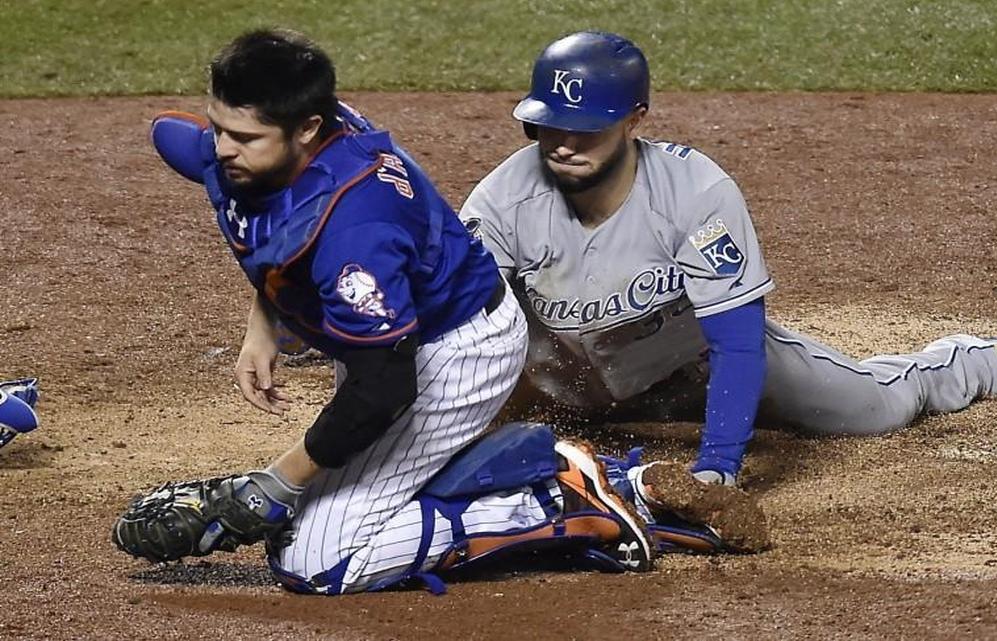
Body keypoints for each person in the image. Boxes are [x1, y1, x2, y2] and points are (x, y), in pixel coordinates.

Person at [112, 29, 664, 595]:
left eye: (245, 137)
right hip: (397, 335)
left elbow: (382, 388)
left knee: (317, 561)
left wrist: (271, 486)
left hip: (453, 357)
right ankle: (451, 473)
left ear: (307, 129)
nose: (222, 148)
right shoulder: (272, 151)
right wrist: (265, 324)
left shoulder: (356, 228)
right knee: (332, 499)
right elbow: (238, 198)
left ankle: (551, 498)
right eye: (220, 127)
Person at [458, 31, 997, 487]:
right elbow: (460, 334)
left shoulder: (695, 192)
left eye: (586, 127)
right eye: (550, 125)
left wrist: (717, 464)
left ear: (634, 119)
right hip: (559, 388)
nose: (564, 145)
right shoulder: (502, 204)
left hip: (695, 368)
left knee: (872, 409)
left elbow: (739, 342)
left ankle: (975, 363)